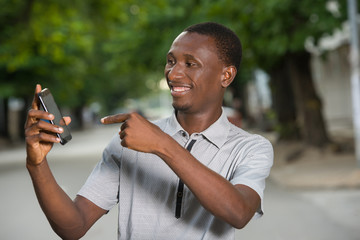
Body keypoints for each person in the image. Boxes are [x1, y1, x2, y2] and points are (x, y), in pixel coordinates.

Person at [25, 22, 273, 240]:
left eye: (190, 63)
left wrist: (162, 145)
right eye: (171, 61)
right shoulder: (128, 141)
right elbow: (74, 227)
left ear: (226, 75)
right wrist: (37, 165)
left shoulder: (250, 148)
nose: (174, 74)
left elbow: (239, 213)